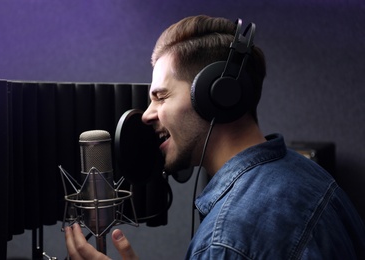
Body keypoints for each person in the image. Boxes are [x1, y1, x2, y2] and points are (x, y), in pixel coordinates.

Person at [65, 15, 365, 259]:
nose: (146, 115)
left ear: (216, 96)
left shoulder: (227, 238)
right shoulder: (310, 176)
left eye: (161, 96)